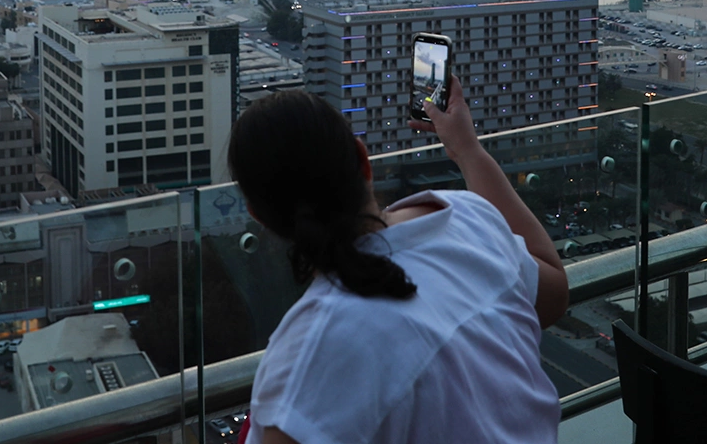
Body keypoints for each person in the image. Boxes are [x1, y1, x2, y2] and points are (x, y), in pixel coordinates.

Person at [229, 78, 568, 444]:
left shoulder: (307, 356)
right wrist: (466, 150)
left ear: (260, 217)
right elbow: (552, 294)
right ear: (363, 160)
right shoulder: (466, 220)